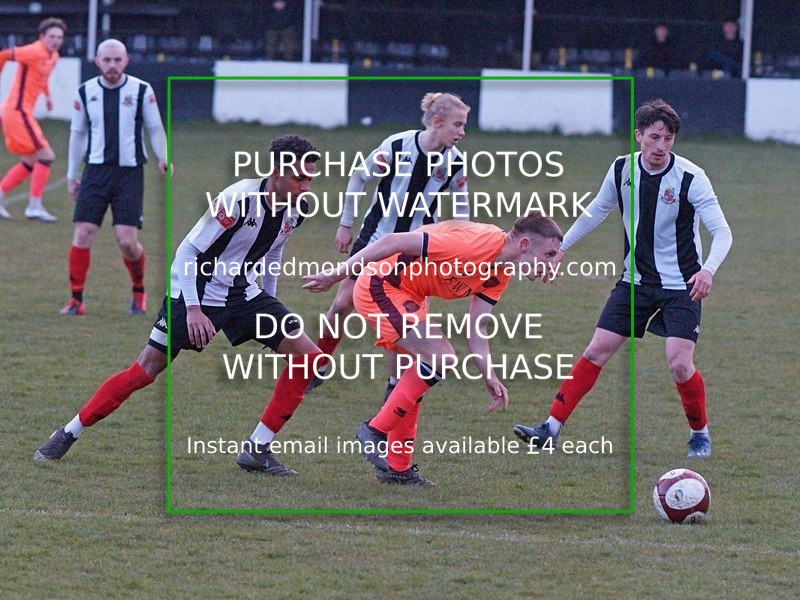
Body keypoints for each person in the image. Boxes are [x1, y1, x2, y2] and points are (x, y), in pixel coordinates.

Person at [35, 135, 324, 477]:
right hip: (195, 292)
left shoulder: (298, 208)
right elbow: (187, 253)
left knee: (309, 358)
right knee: (145, 369)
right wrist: (194, 310)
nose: (306, 187)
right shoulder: (237, 199)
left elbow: (273, 251)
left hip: (242, 293)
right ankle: (68, 432)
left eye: (310, 179)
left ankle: (257, 449)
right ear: (276, 172)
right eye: (299, 179)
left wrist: (271, 305)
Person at [513, 99, 733, 458]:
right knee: (596, 350)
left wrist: (708, 269)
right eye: (654, 137)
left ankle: (700, 434)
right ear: (639, 135)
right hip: (635, 281)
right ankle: (549, 429)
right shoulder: (621, 170)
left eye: (669, 138)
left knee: (679, 362)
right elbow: (596, 210)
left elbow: (722, 233)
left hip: (682, 284)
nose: (661, 146)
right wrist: (561, 248)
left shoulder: (691, 177)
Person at [303, 213, 564, 485]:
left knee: (414, 383)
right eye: (548, 254)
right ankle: (374, 430)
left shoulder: (501, 271)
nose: (551, 264)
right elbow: (392, 241)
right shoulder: (476, 245)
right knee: (441, 358)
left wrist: (490, 375)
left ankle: (397, 469)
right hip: (382, 285)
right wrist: (336, 274)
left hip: (411, 296)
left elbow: (475, 328)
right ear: (524, 245)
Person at [307, 92, 471, 398]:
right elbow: (359, 178)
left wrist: (461, 248)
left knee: (405, 319)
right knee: (343, 304)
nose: (462, 132)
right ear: (437, 122)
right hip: (375, 239)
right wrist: (345, 224)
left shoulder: (456, 163)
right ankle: (318, 362)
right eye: (457, 124)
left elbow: (462, 212)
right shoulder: (397, 146)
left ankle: (394, 388)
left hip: (416, 249)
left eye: (464, 125)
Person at [60, 39, 168, 316]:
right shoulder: (85, 92)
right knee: (82, 233)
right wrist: (72, 175)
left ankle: (139, 292)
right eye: (106, 60)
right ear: (97, 62)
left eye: (117, 60)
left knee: (127, 241)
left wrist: (163, 156)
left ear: (126, 61)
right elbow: (77, 134)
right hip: (95, 172)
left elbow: (155, 128)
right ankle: (76, 299)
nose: (112, 65)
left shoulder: (141, 90)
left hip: (129, 174)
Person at [0, 17, 67, 222]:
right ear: (42, 37)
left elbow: (42, 77)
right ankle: (34, 206)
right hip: (16, 111)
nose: (56, 40)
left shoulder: (53, 56)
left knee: (30, 162)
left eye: (59, 37)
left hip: (23, 112)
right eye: (52, 36)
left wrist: (47, 97)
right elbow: (3, 55)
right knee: (46, 155)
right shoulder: (33, 51)